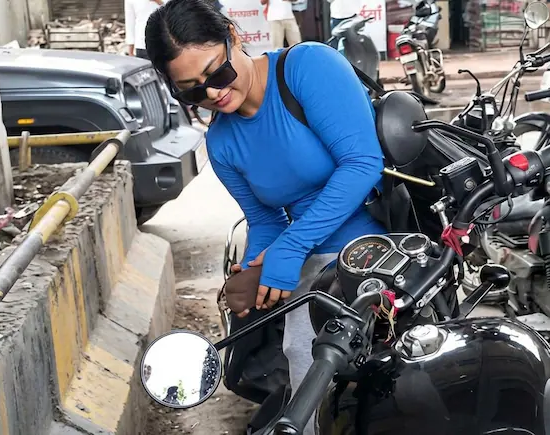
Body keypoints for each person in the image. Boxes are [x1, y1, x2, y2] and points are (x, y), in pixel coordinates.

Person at [145, 1, 385, 433]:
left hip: (385, 247)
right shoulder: (221, 144)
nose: (213, 94)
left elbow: (362, 163)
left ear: (234, 36)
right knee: (306, 369)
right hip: (315, 266)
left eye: (217, 73)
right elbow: (266, 221)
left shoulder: (307, 68)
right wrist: (254, 268)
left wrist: (291, 247)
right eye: (192, 91)